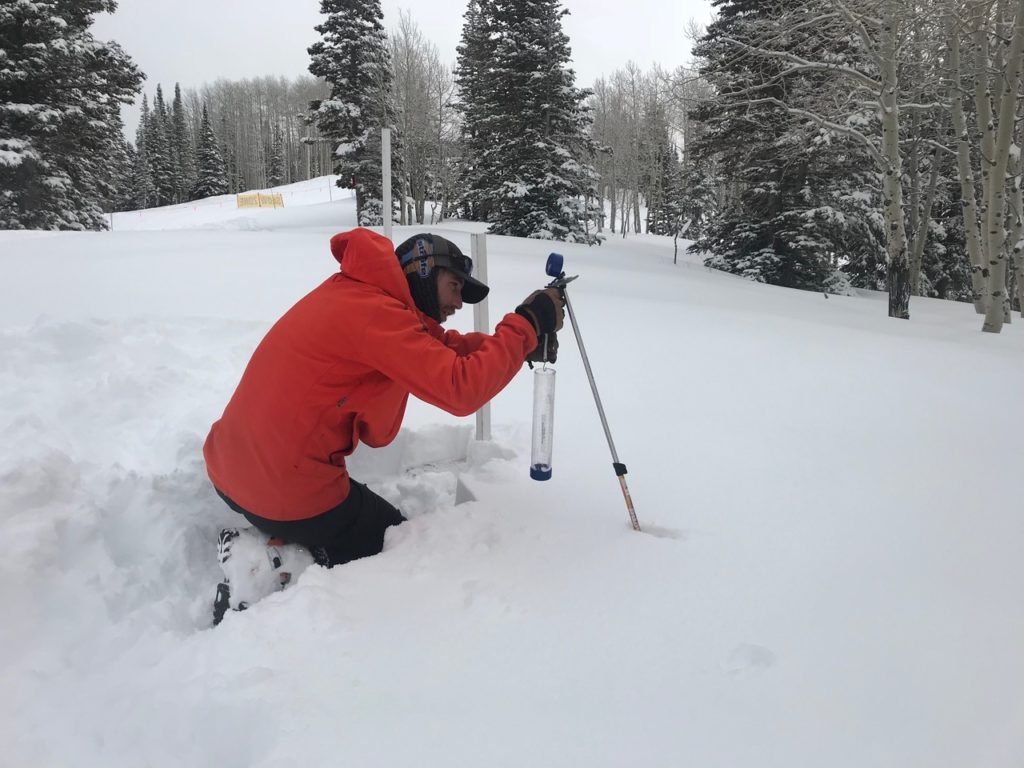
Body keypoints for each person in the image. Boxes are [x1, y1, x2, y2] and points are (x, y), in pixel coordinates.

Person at [204, 227, 563, 622]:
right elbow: (461, 389)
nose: (459, 302)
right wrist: (527, 322)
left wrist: (518, 346)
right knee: (397, 542)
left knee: (351, 516)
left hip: (229, 467)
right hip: (282, 487)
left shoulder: (360, 296)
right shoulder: (376, 314)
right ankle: (265, 565)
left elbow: (443, 350)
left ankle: (278, 534)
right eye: (454, 286)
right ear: (424, 274)